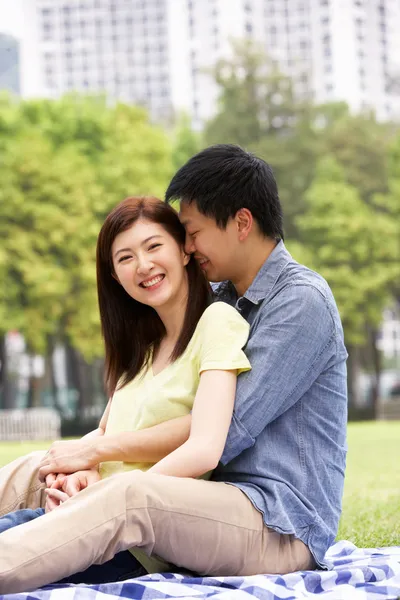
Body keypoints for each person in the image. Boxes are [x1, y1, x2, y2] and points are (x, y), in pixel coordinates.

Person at [0, 145, 348, 593]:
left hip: (277, 520)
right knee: (41, 466)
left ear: (242, 223)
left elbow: (224, 431)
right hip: (203, 500)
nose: (187, 247)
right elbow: (158, 407)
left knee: (128, 496)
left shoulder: (300, 301)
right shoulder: (219, 301)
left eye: (192, 232)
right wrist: (88, 459)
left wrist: (101, 464)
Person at [0, 195, 251, 584]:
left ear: (183, 251)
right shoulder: (142, 350)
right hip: (82, 516)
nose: (144, 265)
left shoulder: (216, 322)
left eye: (154, 247)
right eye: (125, 258)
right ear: (115, 277)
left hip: (133, 541)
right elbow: (105, 436)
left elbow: (204, 449)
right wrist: (80, 477)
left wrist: (106, 497)